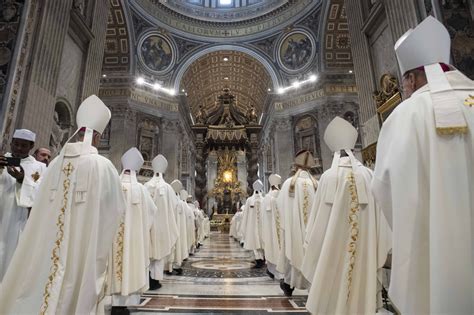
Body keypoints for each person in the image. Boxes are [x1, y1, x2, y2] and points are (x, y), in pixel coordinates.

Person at [371, 16, 474, 314]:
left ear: (412, 78)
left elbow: (386, 192)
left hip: (437, 256)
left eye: (403, 81)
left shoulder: (406, 115)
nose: (403, 88)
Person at [0, 95, 126, 314]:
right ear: (97, 135)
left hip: (49, 242)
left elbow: (40, 202)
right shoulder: (103, 165)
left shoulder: (56, 162)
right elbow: (115, 210)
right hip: (84, 242)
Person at [302, 117, 392, 314]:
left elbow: (317, 220)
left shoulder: (328, 177)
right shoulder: (368, 174)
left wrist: (312, 241)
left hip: (332, 249)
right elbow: (381, 217)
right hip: (365, 249)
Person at [106, 147, 157, 310]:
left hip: (111, 237)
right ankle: (125, 303)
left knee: (112, 264)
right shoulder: (141, 189)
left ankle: (114, 303)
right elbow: (152, 211)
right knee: (130, 262)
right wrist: (141, 228)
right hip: (134, 238)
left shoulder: (112, 185)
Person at [0, 129, 47, 281]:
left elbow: (40, 193)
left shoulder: (39, 168)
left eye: (24, 146)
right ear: (11, 143)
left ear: (31, 146)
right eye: (16, 144)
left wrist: (22, 179)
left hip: (18, 218)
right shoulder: (2, 159)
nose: (19, 149)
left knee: (11, 252)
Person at [276, 150, 318, 296]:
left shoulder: (289, 184)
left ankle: (289, 284)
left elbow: (279, 206)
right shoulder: (316, 184)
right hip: (313, 232)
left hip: (294, 229)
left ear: (295, 165)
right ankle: (312, 284)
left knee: (292, 249)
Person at [145, 155, 179, 290]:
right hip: (162, 226)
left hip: (148, 226)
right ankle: (155, 279)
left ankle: (147, 276)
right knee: (159, 252)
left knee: (148, 250)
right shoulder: (168, 188)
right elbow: (175, 206)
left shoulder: (146, 186)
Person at [261, 174, 283, 280]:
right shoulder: (283, 194)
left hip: (271, 229)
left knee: (272, 245)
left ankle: (272, 270)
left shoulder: (267, 198)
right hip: (283, 229)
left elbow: (262, 216)